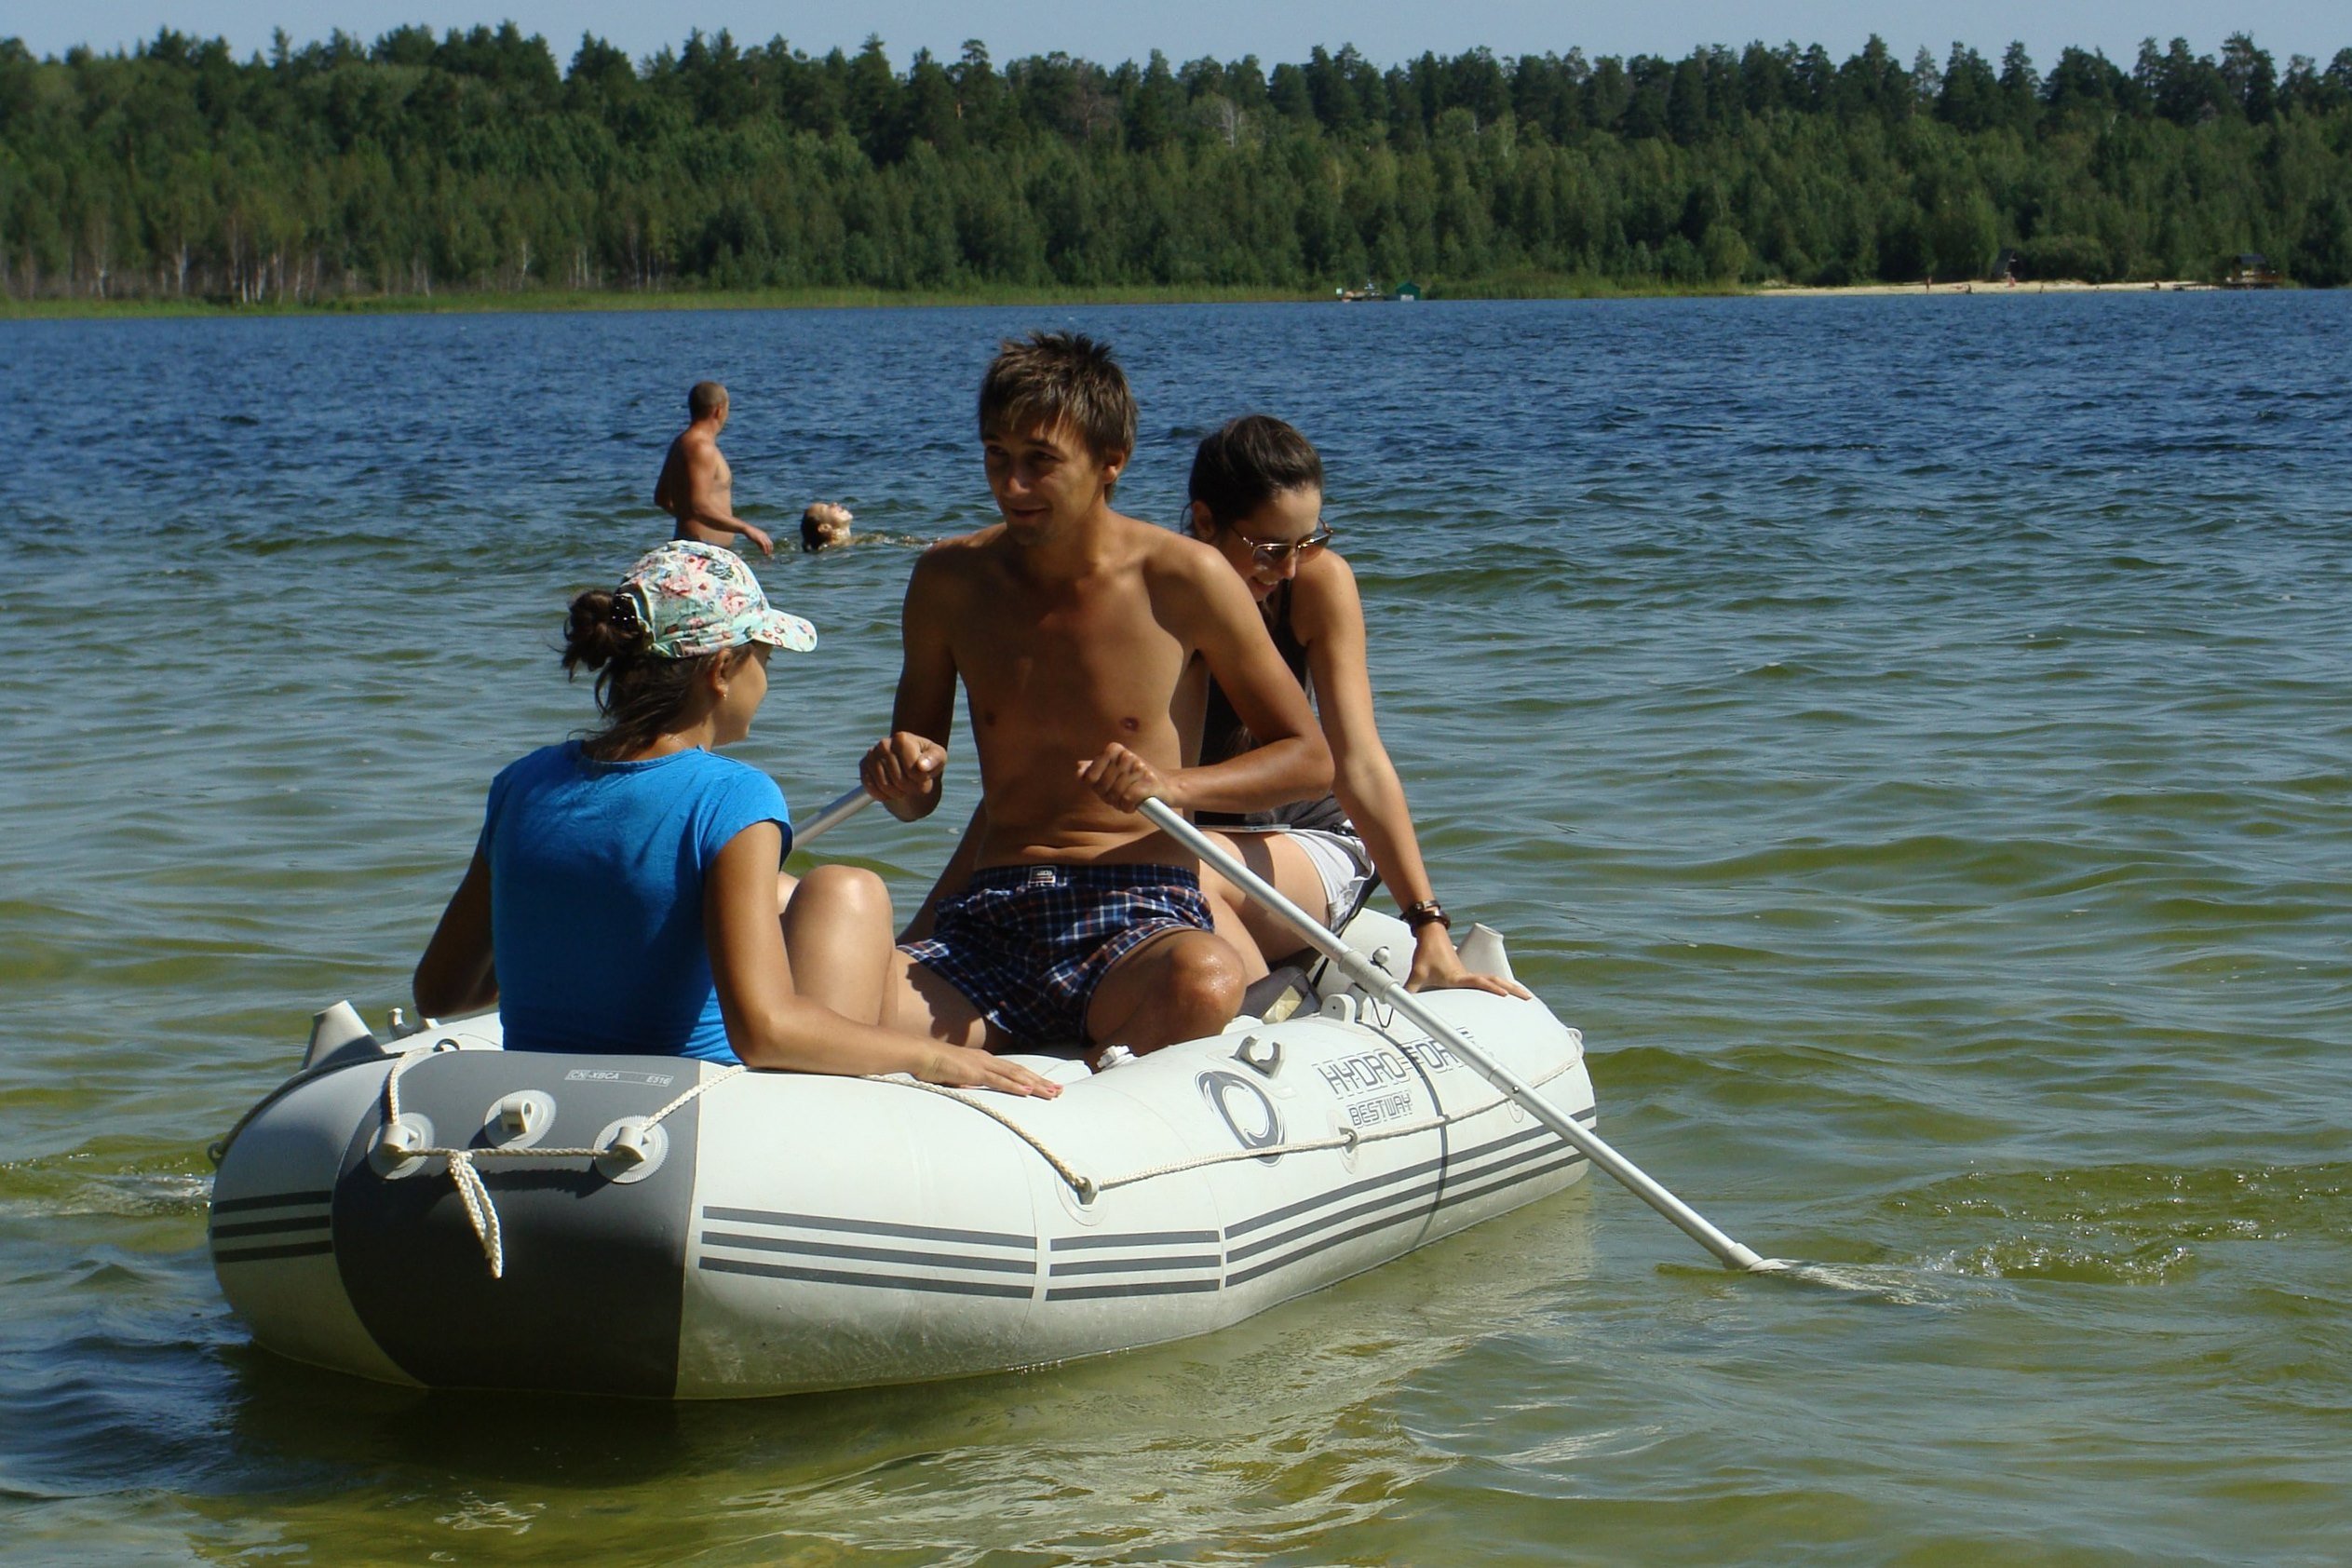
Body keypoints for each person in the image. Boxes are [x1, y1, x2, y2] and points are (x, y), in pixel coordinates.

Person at [412, 541, 1057, 1097]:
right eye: (765, 661)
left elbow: (440, 993)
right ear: (722, 671)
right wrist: (933, 1057)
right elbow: (764, 1030)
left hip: (538, 1097)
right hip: (687, 1122)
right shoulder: (733, 798)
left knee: (799, 892)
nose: (767, 681)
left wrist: (574, 953)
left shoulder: (521, 785)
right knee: (848, 889)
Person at [859, 331, 1332, 1057]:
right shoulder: (946, 583)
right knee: (832, 984)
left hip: (1138, 906)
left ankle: (1081, 1079)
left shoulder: (1186, 577)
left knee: (1208, 978)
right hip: (993, 916)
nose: (1011, 485)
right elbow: (916, 797)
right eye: (996, 456)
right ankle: (1034, 1064)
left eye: (1040, 463)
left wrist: (1172, 784)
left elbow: (1309, 760)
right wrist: (896, 776)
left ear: (1111, 462)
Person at [1183, 415, 1528, 998]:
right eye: (1270, 549)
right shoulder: (1157, 589)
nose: (1289, 567)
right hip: (1188, 834)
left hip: (1306, 838)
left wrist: (1428, 923)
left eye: (1308, 542)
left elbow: (1360, 762)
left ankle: (1275, 1010)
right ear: (1205, 520)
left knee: (1182, 870)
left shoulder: (1316, 586)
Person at [655, 381, 774, 557]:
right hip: (701, 549)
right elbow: (698, 507)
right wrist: (746, 528)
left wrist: (686, 518)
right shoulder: (700, 448)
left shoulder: (681, 442)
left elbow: (662, 498)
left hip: (698, 545)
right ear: (718, 410)